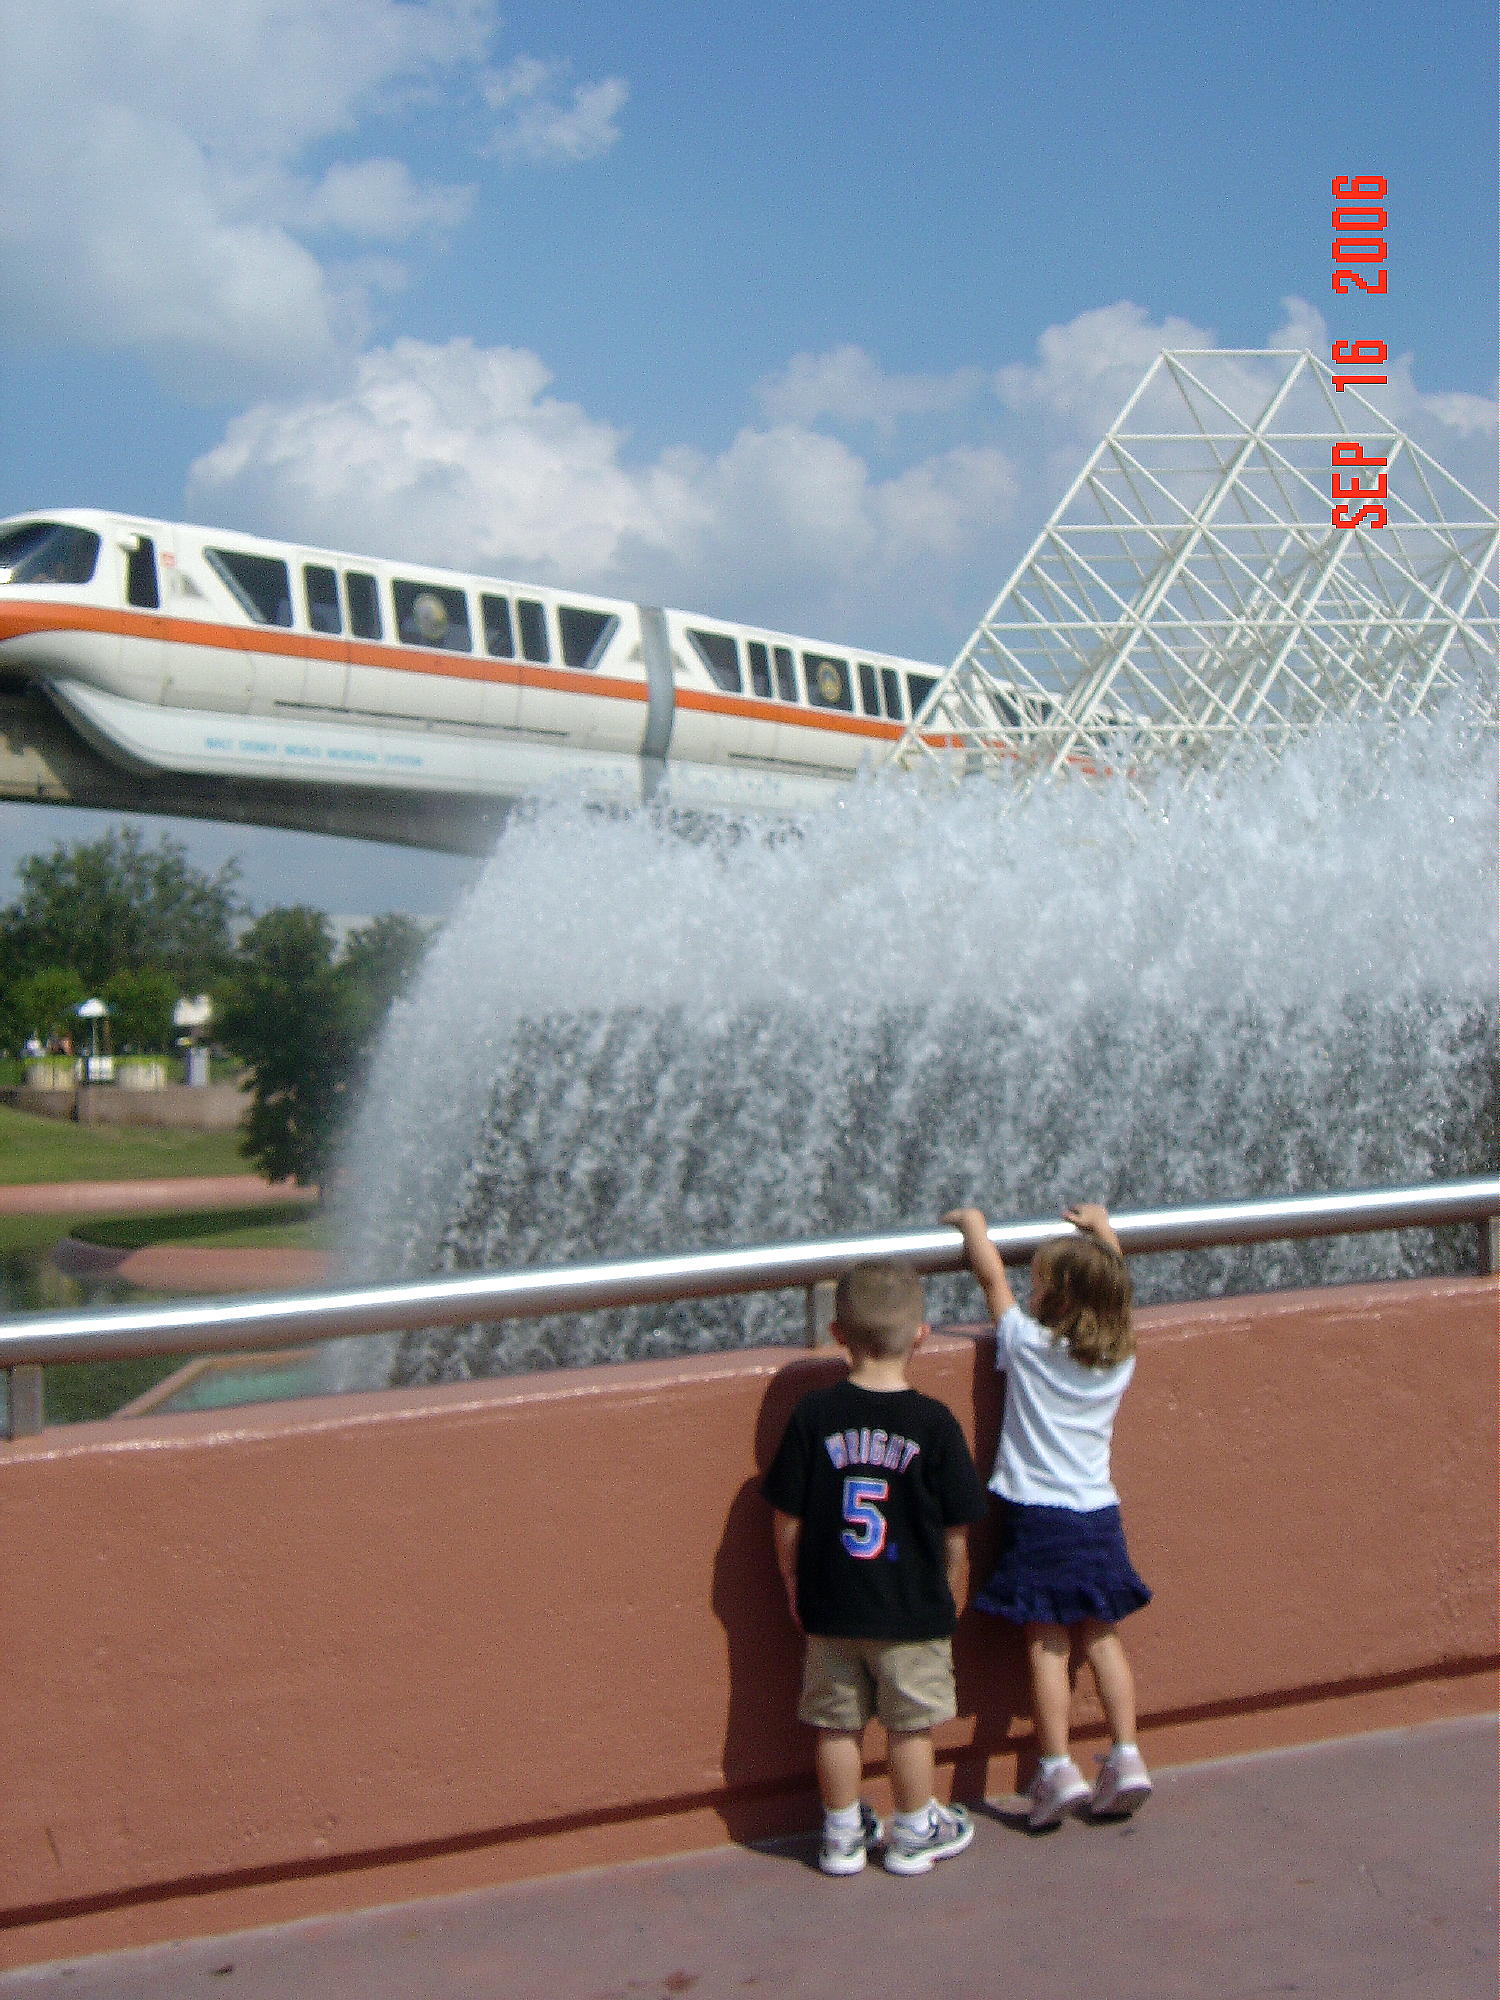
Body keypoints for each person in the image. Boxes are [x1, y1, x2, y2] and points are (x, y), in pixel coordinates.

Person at [763, 1260, 989, 1876]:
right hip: (912, 1611)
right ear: (922, 1335)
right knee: (910, 1729)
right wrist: (951, 1593)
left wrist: (793, 1586)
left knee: (835, 1727)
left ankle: (840, 1836)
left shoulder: (813, 1416)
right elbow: (957, 1531)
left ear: (837, 1335)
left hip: (831, 1606)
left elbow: (787, 1517)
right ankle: (914, 1831)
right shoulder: (935, 1425)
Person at [943, 1203, 1154, 1830]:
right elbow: (1114, 1282)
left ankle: (1057, 1766)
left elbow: (990, 1281)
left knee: (1046, 1642)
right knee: (1103, 1635)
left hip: (1038, 1518)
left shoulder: (1027, 1344)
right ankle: (1127, 1753)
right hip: (1098, 1513)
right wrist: (1102, 1230)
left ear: (1054, 1297)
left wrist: (975, 1228)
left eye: (1040, 1283)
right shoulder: (1121, 1357)